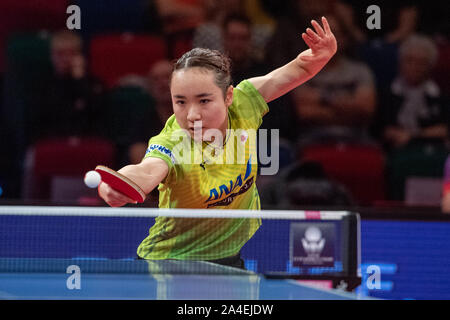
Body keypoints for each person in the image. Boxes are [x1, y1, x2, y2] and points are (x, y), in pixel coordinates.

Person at [98, 17, 337, 267]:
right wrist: (117, 185)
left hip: (227, 260)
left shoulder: (245, 104)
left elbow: (294, 71)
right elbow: (147, 169)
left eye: (204, 100)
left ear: (229, 96)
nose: (191, 115)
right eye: (180, 101)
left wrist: (321, 55)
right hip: (169, 265)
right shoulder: (174, 141)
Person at [292, 15, 376, 146]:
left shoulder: (360, 71)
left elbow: (365, 110)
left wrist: (322, 100)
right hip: (312, 140)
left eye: (334, 33)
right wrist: (346, 108)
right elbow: (303, 113)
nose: (327, 39)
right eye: (321, 34)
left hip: (357, 140)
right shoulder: (302, 70)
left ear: (345, 38)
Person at [378, 34, 448, 150]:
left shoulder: (439, 96)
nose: (414, 67)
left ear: (430, 66)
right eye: (409, 60)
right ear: (400, 62)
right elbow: (381, 128)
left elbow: (444, 129)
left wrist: (412, 136)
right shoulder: (387, 93)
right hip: (393, 151)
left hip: (431, 151)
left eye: (421, 63)